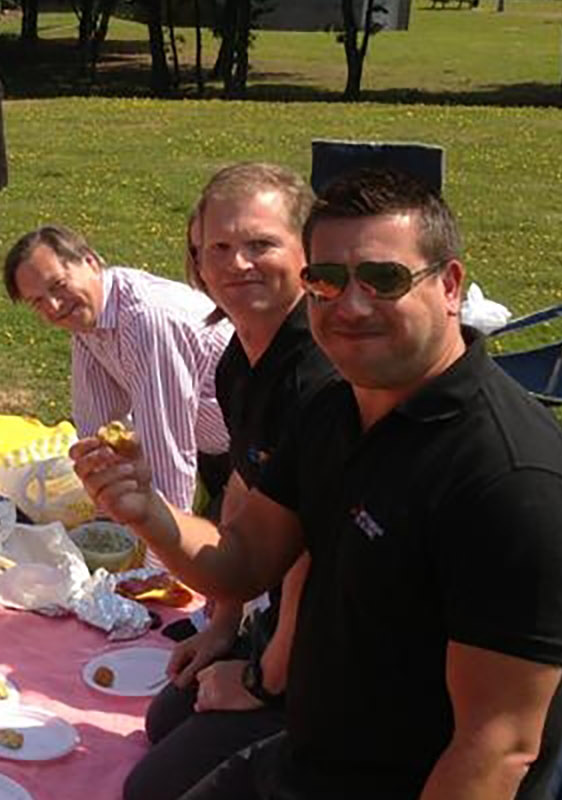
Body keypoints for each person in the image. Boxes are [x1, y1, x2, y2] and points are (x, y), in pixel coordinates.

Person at [75, 168, 562, 799]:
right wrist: (147, 512)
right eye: (327, 281)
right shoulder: (338, 410)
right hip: (310, 753)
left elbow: (496, 749)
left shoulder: (513, 484)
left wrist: (264, 684)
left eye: (383, 279)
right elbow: (244, 562)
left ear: (452, 285)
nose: (350, 306)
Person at [125, 163, 335, 800]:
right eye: (219, 247)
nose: (236, 263)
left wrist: (260, 680)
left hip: (334, 638)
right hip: (273, 609)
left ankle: (291, 731)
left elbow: (310, 554)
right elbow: (244, 493)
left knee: (150, 790)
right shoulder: (239, 356)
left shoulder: (319, 376)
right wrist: (221, 625)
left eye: (261, 245)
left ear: (307, 252)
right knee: (165, 720)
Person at [2, 223, 232, 516]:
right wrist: (105, 511)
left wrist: (159, 555)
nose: (54, 306)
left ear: (90, 262)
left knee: (232, 556)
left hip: (260, 450)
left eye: (58, 285)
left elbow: (167, 454)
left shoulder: (148, 322)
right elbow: (96, 429)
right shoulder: (88, 320)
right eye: (37, 302)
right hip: (209, 447)